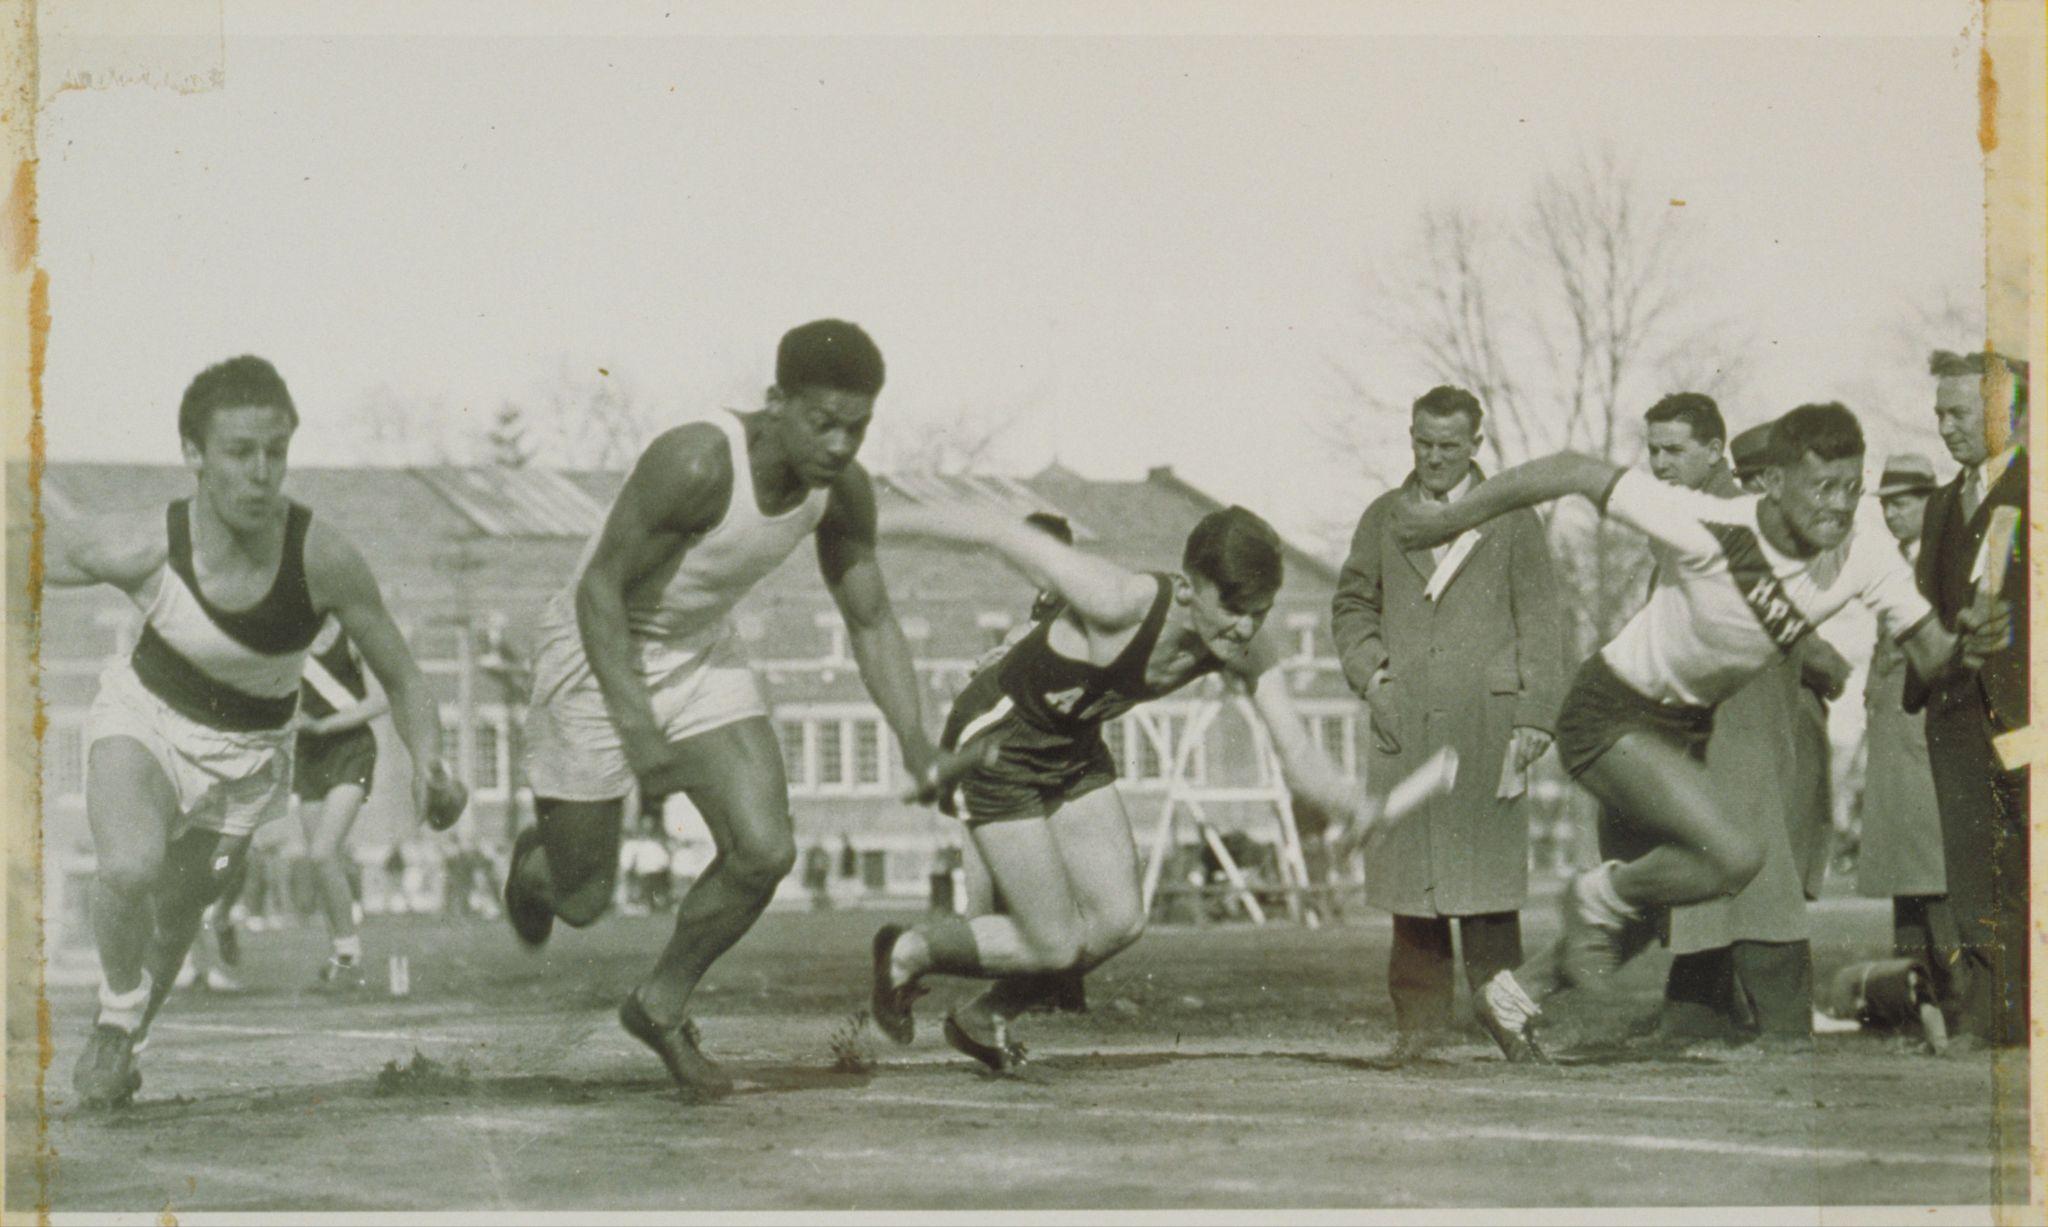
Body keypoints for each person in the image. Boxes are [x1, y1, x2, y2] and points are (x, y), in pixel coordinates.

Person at [1393, 401, 2010, 1061]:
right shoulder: (1708, 522)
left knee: (1679, 885)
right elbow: (1571, 469)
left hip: (1682, 729)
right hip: (1608, 712)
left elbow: (1932, 655)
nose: (1838, 506)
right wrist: (1450, 517)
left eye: (1849, 487)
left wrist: (1968, 646)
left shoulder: (1866, 547)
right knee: (1733, 857)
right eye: (1821, 488)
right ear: (1772, 483)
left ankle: (1514, 992)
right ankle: (1596, 896)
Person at [506, 320, 947, 1099]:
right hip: (596, 646)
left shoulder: (842, 491)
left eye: (858, 426)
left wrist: (916, 740)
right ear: (777, 401)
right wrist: (638, 729)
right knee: (582, 901)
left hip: (699, 651)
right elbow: (598, 590)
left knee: (765, 849)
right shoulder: (698, 460)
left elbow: (871, 619)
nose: (841, 444)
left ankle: (659, 1004)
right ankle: (535, 868)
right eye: (823, 421)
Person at [871, 504, 1422, 1073]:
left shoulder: (1250, 647)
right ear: (1188, 589)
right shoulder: (1119, 599)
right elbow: (995, 529)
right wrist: (865, 520)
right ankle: (907, 952)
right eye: (1233, 609)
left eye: (1259, 612)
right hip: (997, 744)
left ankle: (983, 1017)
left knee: (1118, 922)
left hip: (1072, 745)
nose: (1245, 627)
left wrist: (1351, 802)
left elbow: (1299, 752)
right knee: (1054, 942)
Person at [47, 355, 461, 1108]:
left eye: (276, 452)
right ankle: (113, 1014)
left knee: (178, 914)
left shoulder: (322, 556)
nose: (261, 472)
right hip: (143, 720)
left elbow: (402, 674)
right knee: (131, 866)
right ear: (194, 455)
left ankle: (131, 1036)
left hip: (248, 758)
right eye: (240, 452)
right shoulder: (144, 541)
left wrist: (432, 759)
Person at [1331, 385, 1565, 1066]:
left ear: (1477, 444)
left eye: (1448, 446)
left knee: (1488, 890)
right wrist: (1372, 675)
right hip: (1406, 721)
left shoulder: (1513, 520)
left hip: (1486, 726)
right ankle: (1418, 1029)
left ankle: (1510, 1022)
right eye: (1422, 443)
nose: (1433, 457)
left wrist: (1535, 714)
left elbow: (1543, 622)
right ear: (1410, 437)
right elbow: (1351, 606)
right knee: (1414, 890)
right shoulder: (1382, 517)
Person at [1639, 403, 1831, 1052]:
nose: (1659, 463)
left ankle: (1780, 1021)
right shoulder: (1677, 519)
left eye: (1673, 450)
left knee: (1759, 868)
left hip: (1742, 713)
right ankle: (1697, 1012)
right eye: (1653, 450)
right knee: (1704, 864)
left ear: (1715, 449)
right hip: (1699, 718)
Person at [1907, 349, 2029, 1047]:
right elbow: (1924, 603)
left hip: (2025, 714)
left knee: (2027, 858)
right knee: (1971, 866)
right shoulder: (1940, 504)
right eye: (1940, 414)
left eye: (1961, 412)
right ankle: (1990, 1012)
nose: (1946, 426)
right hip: (1954, 713)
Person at [1857, 452, 1954, 989]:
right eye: (1888, 505)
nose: (1893, 514)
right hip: (1894, 731)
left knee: (1932, 869)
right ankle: (1915, 999)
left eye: (1905, 503)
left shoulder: (1940, 560)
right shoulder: (1898, 559)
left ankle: (1950, 996)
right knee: (1906, 874)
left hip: (1921, 729)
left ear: (1929, 502)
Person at [294, 615, 389, 991]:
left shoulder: (351, 635)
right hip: (307, 754)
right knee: (322, 862)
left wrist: (325, 725)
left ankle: (350, 957)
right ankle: (342, 958)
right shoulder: (289, 637)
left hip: (350, 748)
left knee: (322, 852)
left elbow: (380, 700)